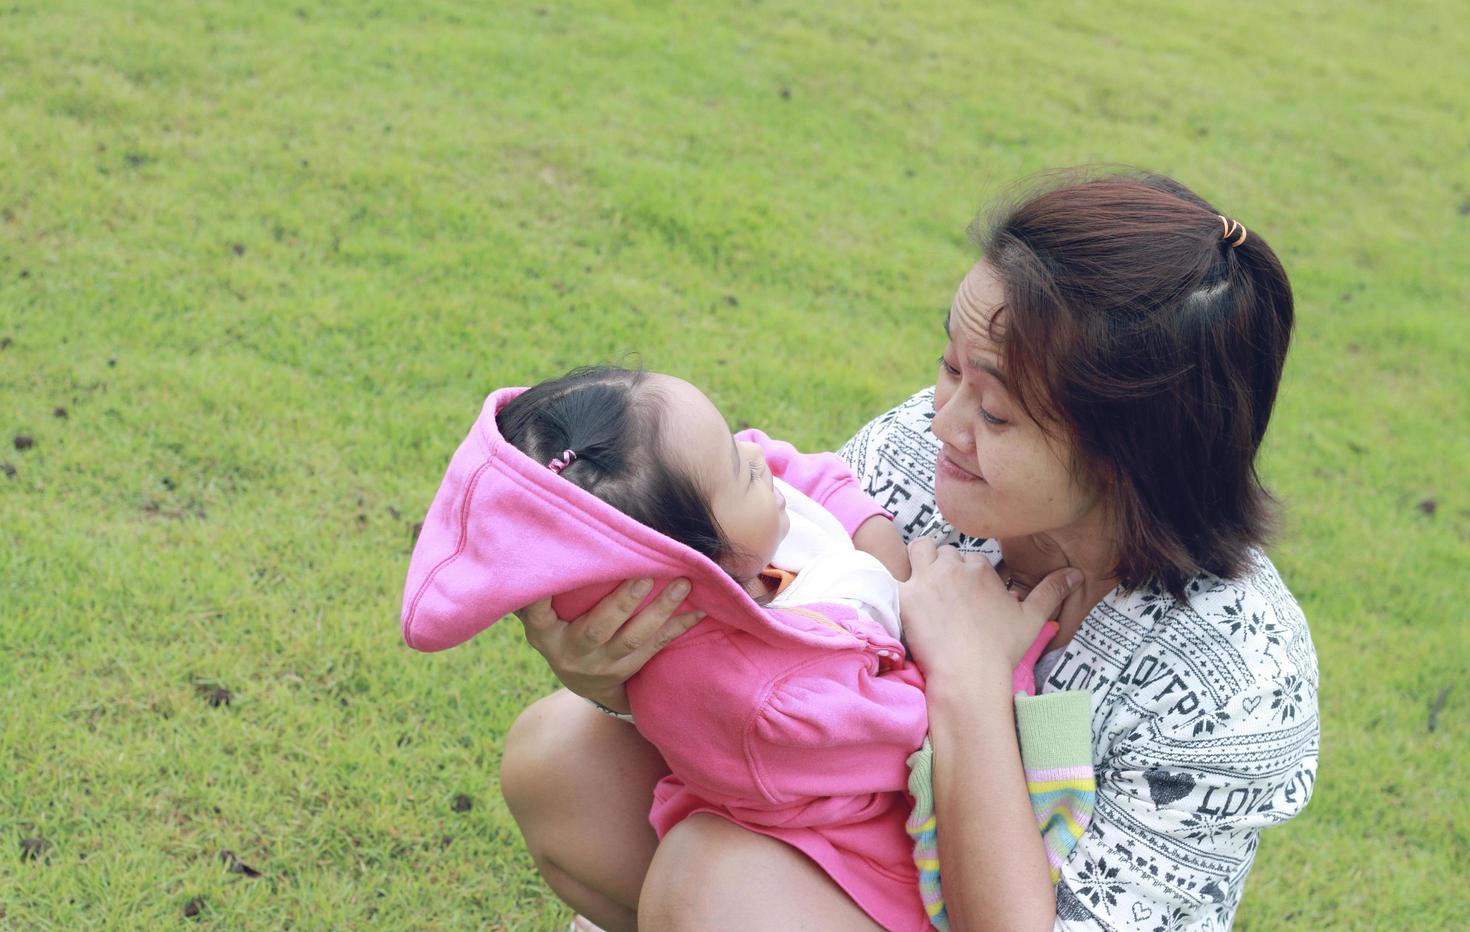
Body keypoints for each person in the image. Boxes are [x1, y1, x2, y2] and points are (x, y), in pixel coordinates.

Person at [499, 169, 1319, 930]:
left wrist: (967, 678)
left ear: (1131, 452)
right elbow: (756, 657)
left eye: (993, 413)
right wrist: (614, 674)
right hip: (845, 839)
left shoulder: (1233, 679)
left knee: (715, 880)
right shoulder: (913, 461)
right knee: (561, 758)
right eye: (948, 365)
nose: (940, 421)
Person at [402, 365, 1092, 930]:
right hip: (871, 875)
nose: (760, 453)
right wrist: (967, 654)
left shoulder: (737, 523)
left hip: (810, 851)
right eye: (738, 468)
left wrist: (881, 554)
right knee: (567, 760)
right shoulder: (766, 696)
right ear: (697, 571)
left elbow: (810, 479)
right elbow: (899, 739)